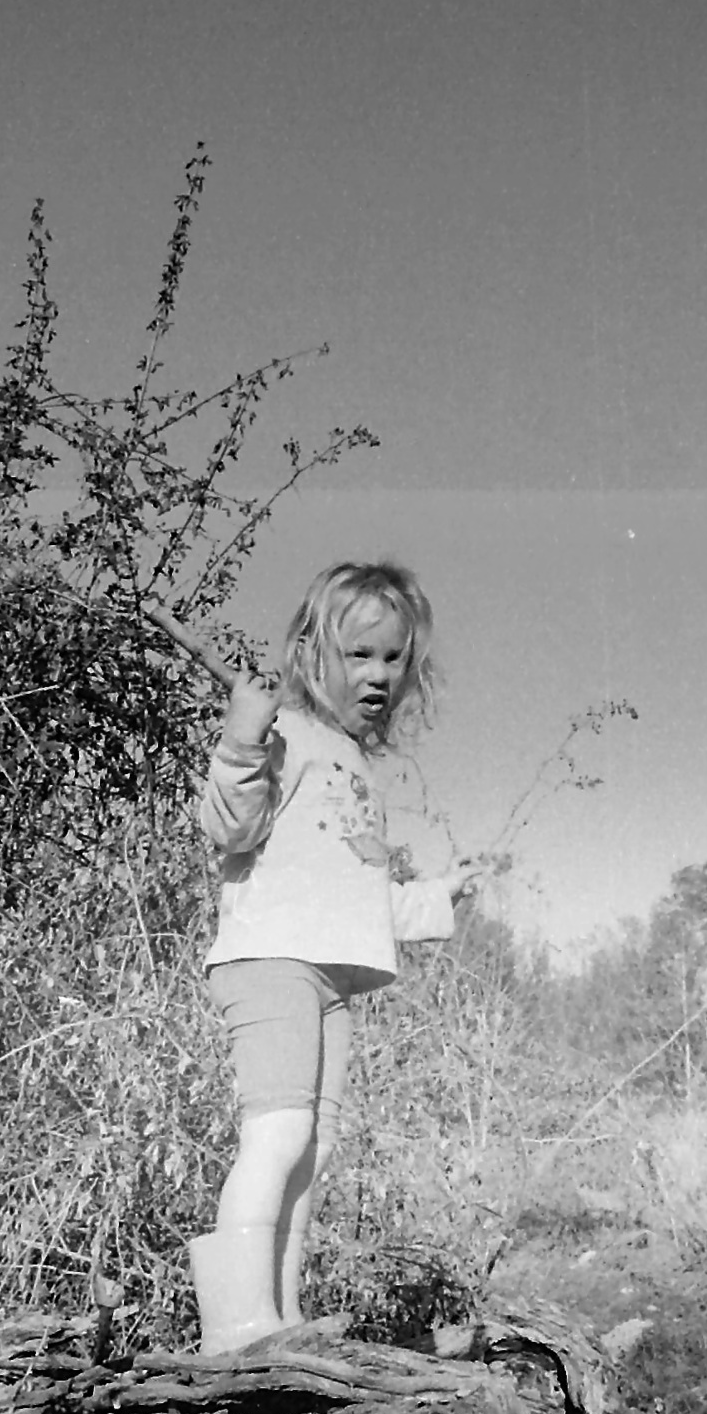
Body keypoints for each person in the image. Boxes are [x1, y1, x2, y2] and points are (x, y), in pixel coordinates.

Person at [192, 560, 479, 1354]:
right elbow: (228, 829)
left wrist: (438, 899)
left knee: (313, 1151)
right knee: (278, 1135)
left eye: (393, 658)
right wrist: (242, 737)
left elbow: (358, 897)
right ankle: (233, 1327)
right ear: (311, 653)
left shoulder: (351, 761)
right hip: (271, 961)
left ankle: (279, 1319)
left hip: (330, 975)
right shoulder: (279, 733)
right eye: (359, 654)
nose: (378, 674)